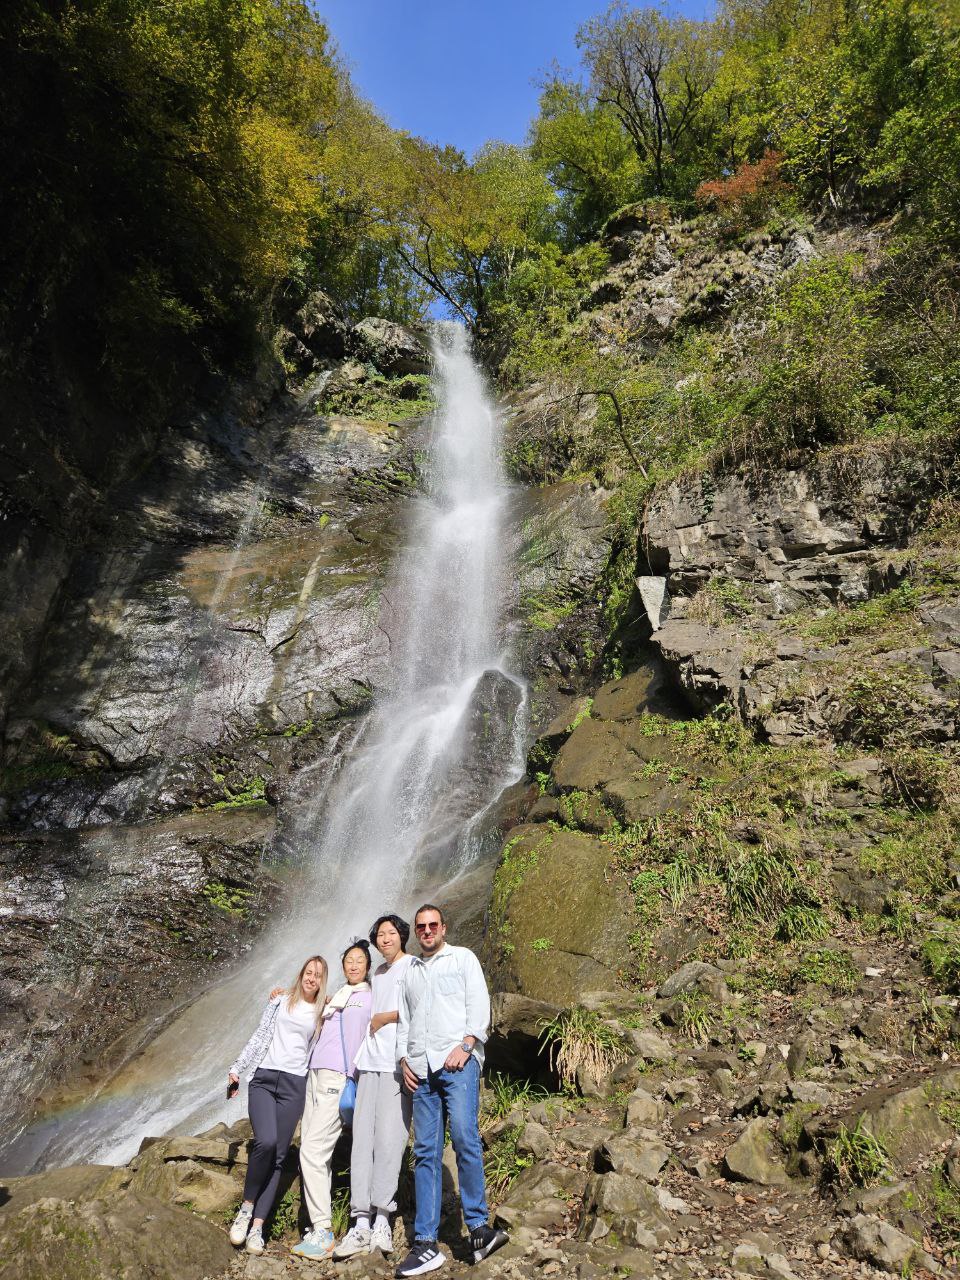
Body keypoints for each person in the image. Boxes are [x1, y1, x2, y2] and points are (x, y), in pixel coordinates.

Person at [394, 904, 508, 1278]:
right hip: (422, 1069)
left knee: (463, 1136)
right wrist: (403, 1060)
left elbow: (479, 1002)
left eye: (432, 925)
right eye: (421, 927)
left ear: (444, 927)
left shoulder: (463, 959)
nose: (427, 931)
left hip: (457, 1062)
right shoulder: (409, 971)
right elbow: (404, 1020)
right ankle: (426, 1242)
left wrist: (468, 1043)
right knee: (426, 1151)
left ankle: (478, 1228)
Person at [226, 954, 328, 1256]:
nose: (312, 978)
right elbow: (259, 1036)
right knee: (266, 1142)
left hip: (294, 1085)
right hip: (264, 1079)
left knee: (280, 1157)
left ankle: (258, 1227)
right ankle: (246, 1209)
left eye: (318, 975)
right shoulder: (280, 1000)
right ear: (301, 974)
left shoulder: (323, 1011)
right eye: (308, 972)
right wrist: (237, 1069)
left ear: (323, 981)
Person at [333, 914, 416, 1260]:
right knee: (362, 1142)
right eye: (380, 934)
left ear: (402, 936)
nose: (385, 939)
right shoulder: (377, 973)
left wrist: (387, 1018)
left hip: (398, 1065)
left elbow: (422, 1007)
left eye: (391, 933)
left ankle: (383, 1216)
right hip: (369, 1064)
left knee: (390, 1140)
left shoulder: (413, 966)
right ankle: (360, 1221)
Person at [291, 940, 373, 1261]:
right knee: (315, 1154)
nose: (353, 965)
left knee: (312, 1149)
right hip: (314, 1074)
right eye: (348, 961)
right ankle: (317, 1226)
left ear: (368, 966)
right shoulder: (339, 996)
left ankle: (324, 1232)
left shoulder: (367, 997)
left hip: (338, 1076)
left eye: (359, 961)